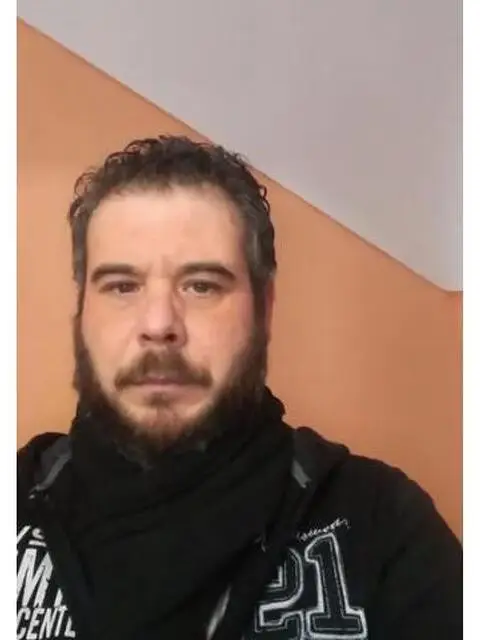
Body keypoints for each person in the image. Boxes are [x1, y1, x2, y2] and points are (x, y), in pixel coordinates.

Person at [17, 135, 462, 640]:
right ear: (82, 312)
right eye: (122, 286)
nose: (159, 324)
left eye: (201, 285)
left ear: (263, 310)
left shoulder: (380, 524)